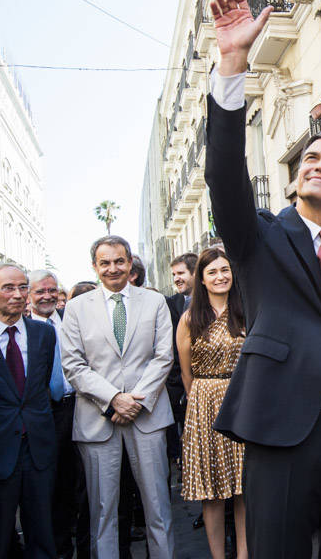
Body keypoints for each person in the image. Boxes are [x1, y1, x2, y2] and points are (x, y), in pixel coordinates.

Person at [205, 0, 321, 558]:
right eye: (311, 158)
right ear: (295, 177)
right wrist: (232, 66)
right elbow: (222, 178)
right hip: (283, 430)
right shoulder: (260, 237)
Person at [60, 236, 175, 559]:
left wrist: (135, 401)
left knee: (158, 508)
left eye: (119, 261)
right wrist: (113, 399)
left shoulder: (155, 302)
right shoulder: (76, 308)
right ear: (95, 267)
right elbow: (73, 364)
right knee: (102, 512)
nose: (113, 268)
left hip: (147, 417)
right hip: (97, 420)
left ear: (130, 264)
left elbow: (163, 357)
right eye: (105, 262)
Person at [0, 264, 58, 558]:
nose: (18, 294)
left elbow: (41, 386)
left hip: (39, 449)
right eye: (8, 288)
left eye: (23, 287)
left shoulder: (43, 334)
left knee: (43, 535)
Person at [175, 248, 247, 559]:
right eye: (212, 272)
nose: (220, 277)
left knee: (246, 488)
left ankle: (244, 555)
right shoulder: (190, 318)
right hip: (205, 405)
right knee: (212, 491)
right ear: (201, 280)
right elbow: (185, 372)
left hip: (244, 400)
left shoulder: (248, 311)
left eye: (225, 270)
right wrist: (203, 401)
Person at [28, 269, 90, 559]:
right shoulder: (24, 328)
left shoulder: (72, 321)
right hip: (46, 416)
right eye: (40, 291)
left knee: (84, 486)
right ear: (28, 295)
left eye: (52, 290)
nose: (47, 296)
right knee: (52, 490)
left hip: (80, 407)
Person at [166, 253, 197, 465]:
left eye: (181, 273)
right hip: (181, 385)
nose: (176, 278)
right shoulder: (171, 304)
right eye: (174, 274)